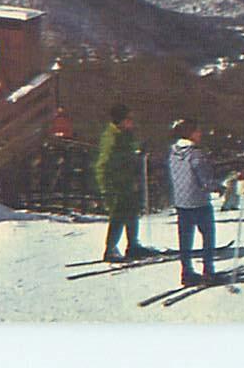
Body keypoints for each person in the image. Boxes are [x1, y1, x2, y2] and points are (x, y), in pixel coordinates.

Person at [167, 118, 226, 286]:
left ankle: (186, 271)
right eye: (197, 131)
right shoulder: (196, 154)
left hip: (181, 202)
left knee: (185, 238)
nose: (200, 134)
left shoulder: (173, 153)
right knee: (208, 235)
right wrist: (219, 187)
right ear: (191, 134)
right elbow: (205, 180)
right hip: (199, 202)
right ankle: (208, 271)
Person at [95, 103, 154, 262]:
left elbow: (128, 150)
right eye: (129, 119)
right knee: (119, 216)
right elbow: (104, 164)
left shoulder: (125, 134)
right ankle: (110, 249)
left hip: (127, 182)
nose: (132, 122)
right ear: (120, 120)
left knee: (132, 212)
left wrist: (139, 149)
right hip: (116, 185)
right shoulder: (112, 138)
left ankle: (133, 245)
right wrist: (106, 188)